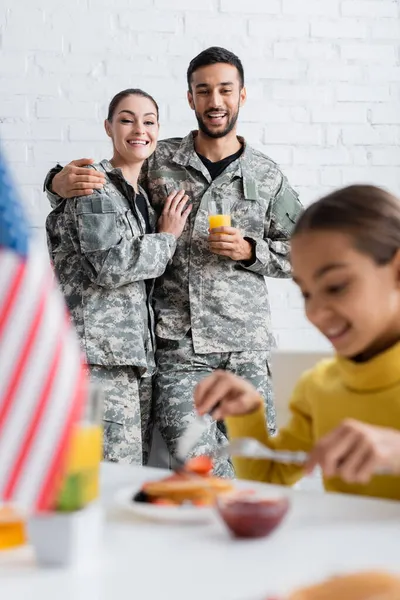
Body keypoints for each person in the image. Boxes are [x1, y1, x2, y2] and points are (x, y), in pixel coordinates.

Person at [44, 48, 302, 477]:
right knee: (197, 467)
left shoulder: (268, 174)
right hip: (177, 348)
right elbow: (105, 187)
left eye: (225, 90)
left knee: (258, 467)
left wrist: (252, 251)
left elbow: (306, 251)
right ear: (190, 99)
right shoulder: (159, 159)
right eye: (204, 91)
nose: (215, 101)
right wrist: (55, 181)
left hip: (246, 348)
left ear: (242, 96)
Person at [194, 185, 400, 500]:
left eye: (336, 286)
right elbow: (270, 478)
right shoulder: (318, 387)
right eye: (305, 292)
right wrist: (247, 416)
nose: (314, 312)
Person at [45, 88, 191, 465]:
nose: (138, 129)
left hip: (130, 361)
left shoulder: (139, 196)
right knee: (109, 476)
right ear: (109, 127)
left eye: (149, 121)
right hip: (97, 360)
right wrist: (167, 237)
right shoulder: (92, 183)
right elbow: (109, 265)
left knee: (126, 474)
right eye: (126, 119)